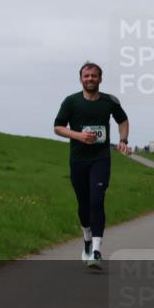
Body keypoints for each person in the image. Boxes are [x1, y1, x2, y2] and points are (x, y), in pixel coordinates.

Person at [53, 62, 130, 270]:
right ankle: (87, 237)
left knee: (97, 201)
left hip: (100, 158)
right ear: (81, 79)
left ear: (100, 79)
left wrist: (123, 140)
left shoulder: (109, 102)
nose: (90, 79)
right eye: (86, 76)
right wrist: (78, 135)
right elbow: (58, 127)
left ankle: (96, 249)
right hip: (78, 160)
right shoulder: (71, 102)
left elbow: (123, 120)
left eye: (94, 76)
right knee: (83, 204)